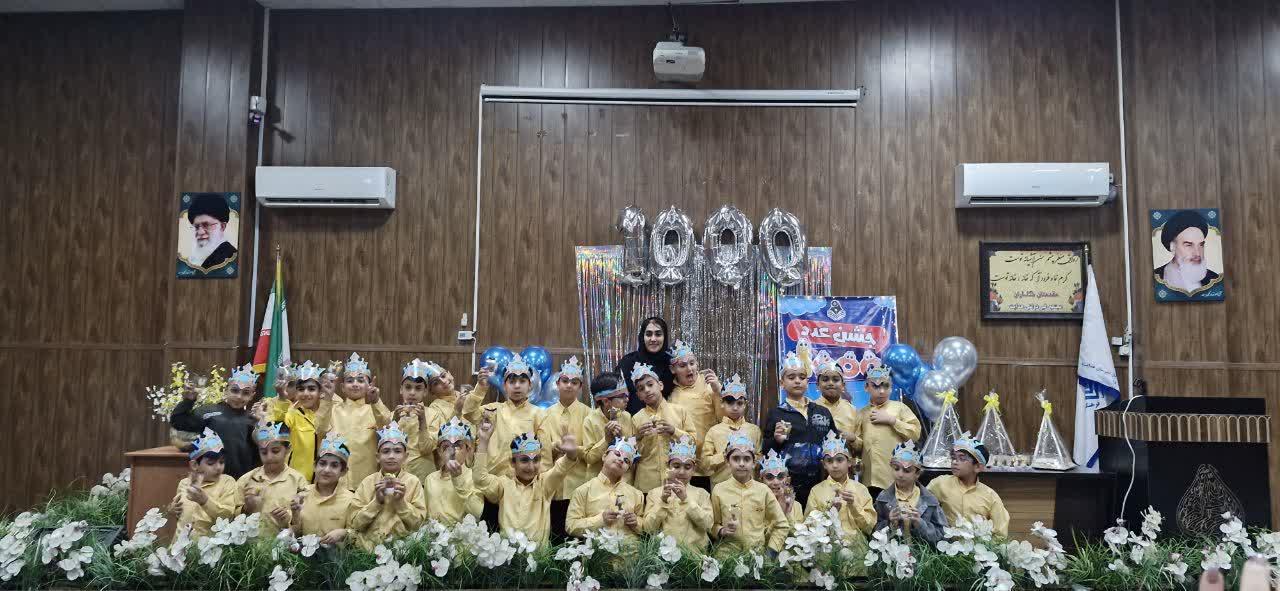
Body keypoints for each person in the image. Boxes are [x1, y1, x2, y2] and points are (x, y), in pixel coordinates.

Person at [473, 424, 576, 544]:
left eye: (535, 460)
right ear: (512, 462)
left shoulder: (544, 484)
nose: (531, 467)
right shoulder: (503, 485)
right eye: (524, 460)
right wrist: (483, 442)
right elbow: (480, 478)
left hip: (538, 555)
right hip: (508, 554)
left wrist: (571, 455)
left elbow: (561, 468)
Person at [763, 352, 837, 506]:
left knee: (819, 517)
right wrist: (776, 441)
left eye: (802, 377)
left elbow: (835, 444)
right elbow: (766, 451)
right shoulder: (776, 414)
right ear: (782, 383)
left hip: (821, 481)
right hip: (788, 484)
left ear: (807, 382)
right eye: (791, 377)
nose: (797, 381)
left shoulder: (822, 412)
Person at [170, 363, 260, 479]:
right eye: (234, 390)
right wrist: (188, 401)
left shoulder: (252, 420)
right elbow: (178, 422)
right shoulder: (207, 412)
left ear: (252, 395)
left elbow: (261, 452)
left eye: (246, 393)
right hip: (209, 480)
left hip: (240, 481)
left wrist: (261, 422)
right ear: (226, 390)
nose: (239, 396)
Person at [317, 353, 393, 487]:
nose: (355, 384)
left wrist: (376, 401)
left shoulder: (374, 409)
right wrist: (327, 400)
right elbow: (320, 430)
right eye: (350, 381)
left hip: (366, 479)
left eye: (360, 380)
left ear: (369, 385)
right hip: (335, 479)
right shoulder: (332, 409)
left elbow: (387, 427)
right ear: (342, 387)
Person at [711, 431, 791, 557]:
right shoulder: (719, 490)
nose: (741, 463)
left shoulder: (763, 490)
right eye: (736, 458)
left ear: (754, 463)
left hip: (755, 558)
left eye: (747, 459)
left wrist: (770, 554)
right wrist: (722, 531)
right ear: (727, 461)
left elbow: (782, 525)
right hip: (726, 559)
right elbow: (712, 524)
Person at [349, 422, 427, 550]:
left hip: (403, 551)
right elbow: (356, 524)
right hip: (368, 550)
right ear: (377, 457)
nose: (391, 456)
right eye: (386, 451)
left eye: (397, 451)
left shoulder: (413, 482)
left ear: (406, 457)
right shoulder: (368, 482)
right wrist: (377, 502)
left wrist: (401, 503)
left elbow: (418, 525)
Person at [474, 354, 550, 478]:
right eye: (512, 381)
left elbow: (545, 458)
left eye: (522, 381)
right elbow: (469, 413)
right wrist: (480, 388)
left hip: (524, 482)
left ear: (530, 385)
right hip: (493, 480)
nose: (517, 386)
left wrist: (536, 484)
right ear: (504, 386)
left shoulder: (539, 414)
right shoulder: (492, 410)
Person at [850, 366, 921, 499]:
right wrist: (853, 439)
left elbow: (915, 434)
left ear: (891, 387)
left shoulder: (900, 408)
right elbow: (860, 448)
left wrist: (892, 421)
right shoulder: (862, 413)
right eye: (875, 386)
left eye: (886, 385)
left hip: (895, 478)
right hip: (869, 479)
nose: (881, 391)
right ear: (866, 387)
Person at [542, 356, 592, 542]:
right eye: (565, 381)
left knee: (579, 542)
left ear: (580, 387)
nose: (569, 385)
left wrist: (573, 449)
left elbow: (591, 451)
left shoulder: (589, 414)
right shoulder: (545, 415)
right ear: (557, 383)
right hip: (554, 485)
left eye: (574, 382)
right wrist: (555, 446)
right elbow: (541, 450)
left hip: (579, 486)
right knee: (555, 539)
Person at [926, 433, 1010, 538]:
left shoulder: (990, 496)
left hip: (977, 546)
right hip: (945, 544)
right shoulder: (940, 484)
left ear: (978, 467)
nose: (955, 462)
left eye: (962, 458)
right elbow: (923, 509)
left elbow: (1000, 532)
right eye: (953, 457)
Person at [666, 340, 723, 491]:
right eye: (682, 365)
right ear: (673, 369)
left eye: (692, 363)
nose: (689, 369)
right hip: (682, 465)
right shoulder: (670, 395)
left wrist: (718, 391)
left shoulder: (709, 385)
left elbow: (724, 419)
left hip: (710, 463)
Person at [167, 428, 244, 538]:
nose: (218, 467)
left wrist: (205, 501)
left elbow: (229, 517)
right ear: (194, 465)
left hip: (209, 546)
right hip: (179, 545)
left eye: (222, 462)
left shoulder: (227, 482)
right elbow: (180, 515)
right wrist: (172, 509)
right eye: (211, 463)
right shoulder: (184, 483)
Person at [566, 437, 645, 542]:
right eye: (617, 454)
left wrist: (636, 522)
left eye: (627, 461)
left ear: (628, 469)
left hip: (630, 551)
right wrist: (600, 520)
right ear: (604, 456)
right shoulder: (583, 491)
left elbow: (646, 527)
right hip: (598, 551)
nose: (621, 460)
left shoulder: (637, 494)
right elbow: (571, 526)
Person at [643, 435, 714, 550]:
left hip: (694, 555)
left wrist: (686, 500)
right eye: (676, 466)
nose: (681, 472)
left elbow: (708, 525)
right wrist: (662, 502)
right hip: (662, 556)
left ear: (694, 469)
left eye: (687, 467)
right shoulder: (654, 493)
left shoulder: (702, 494)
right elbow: (648, 529)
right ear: (668, 466)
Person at [238, 421, 309, 538]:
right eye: (264, 452)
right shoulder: (247, 480)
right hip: (250, 546)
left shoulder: (298, 481)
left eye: (275, 451)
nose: (269, 457)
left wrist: (289, 517)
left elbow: (307, 520)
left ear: (288, 449)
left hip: (283, 546)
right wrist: (246, 508)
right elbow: (231, 517)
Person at [631, 363, 693, 493]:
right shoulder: (636, 418)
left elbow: (694, 442)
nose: (647, 390)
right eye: (641, 389)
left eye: (650, 384)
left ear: (660, 385)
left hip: (677, 481)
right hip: (647, 483)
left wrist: (674, 431)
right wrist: (638, 438)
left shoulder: (680, 411)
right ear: (638, 395)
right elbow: (632, 457)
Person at [806, 431, 876, 544]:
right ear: (824, 464)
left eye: (839, 460)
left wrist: (854, 505)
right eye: (829, 461)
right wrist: (830, 512)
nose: (834, 465)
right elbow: (809, 527)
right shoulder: (816, 491)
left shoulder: (861, 489)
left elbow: (869, 527)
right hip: (827, 550)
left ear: (849, 462)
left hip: (857, 549)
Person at [874, 441, 947, 545]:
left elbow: (943, 536)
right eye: (896, 469)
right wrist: (890, 523)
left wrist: (920, 524)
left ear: (917, 474)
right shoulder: (883, 499)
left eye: (907, 471)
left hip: (923, 554)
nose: (900, 474)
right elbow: (872, 533)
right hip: (892, 554)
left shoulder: (930, 500)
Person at [289, 433, 358, 544]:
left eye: (334, 465)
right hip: (304, 554)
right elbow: (296, 535)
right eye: (322, 463)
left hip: (337, 555)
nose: (326, 470)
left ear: (343, 471)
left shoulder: (351, 500)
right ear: (314, 466)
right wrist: (295, 515)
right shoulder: (303, 494)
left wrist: (343, 533)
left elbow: (356, 534)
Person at [265, 360, 323, 481]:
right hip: (295, 479)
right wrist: (282, 397)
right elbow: (278, 425)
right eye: (301, 389)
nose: (305, 393)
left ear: (320, 392)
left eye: (311, 389)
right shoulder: (293, 413)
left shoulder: (329, 413)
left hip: (323, 479)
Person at [700, 375, 762, 487]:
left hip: (750, 490)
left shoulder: (754, 430)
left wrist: (748, 457)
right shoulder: (714, 431)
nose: (735, 408)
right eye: (730, 402)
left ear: (745, 405)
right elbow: (704, 463)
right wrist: (724, 455)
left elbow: (761, 459)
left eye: (739, 403)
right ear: (722, 403)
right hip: (721, 489)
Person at [421, 417, 484, 525]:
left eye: (458, 446)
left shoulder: (474, 477)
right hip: (433, 534)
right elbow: (426, 516)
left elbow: (478, 513)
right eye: (446, 446)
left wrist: (458, 479)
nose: (452, 451)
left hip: (462, 534)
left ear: (468, 450)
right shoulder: (430, 479)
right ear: (439, 452)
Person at [582, 373, 637, 485]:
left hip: (624, 482)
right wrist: (606, 440)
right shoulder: (590, 421)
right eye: (621, 396)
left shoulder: (626, 416)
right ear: (606, 401)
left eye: (627, 394)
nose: (627, 399)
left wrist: (625, 439)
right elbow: (588, 458)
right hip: (598, 483)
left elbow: (633, 451)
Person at [615, 316, 675, 415]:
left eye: (658, 334)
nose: (653, 339)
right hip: (634, 421)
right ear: (642, 337)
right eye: (648, 334)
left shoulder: (672, 363)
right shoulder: (627, 363)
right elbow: (617, 395)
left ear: (664, 337)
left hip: (668, 421)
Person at [1155, 209, 1221, 293]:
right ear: (1173, 247)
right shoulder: (1156, 277)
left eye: (1201, 245)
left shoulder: (1214, 279)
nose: (1197, 253)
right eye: (1189, 245)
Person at [394, 358, 436, 481]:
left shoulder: (433, 415)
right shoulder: (394, 414)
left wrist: (422, 421)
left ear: (425, 392)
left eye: (418, 388)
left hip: (422, 475)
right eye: (408, 387)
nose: (412, 393)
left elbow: (426, 449)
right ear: (401, 389)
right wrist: (394, 421)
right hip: (396, 475)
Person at [813, 361, 859, 451]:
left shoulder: (852, 410)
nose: (831, 383)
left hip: (846, 458)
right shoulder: (810, 409)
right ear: (818, 385)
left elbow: (862, 447)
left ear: (843, 385)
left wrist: (853, 439)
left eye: (836, 380)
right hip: (817, 459)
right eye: (825, 380)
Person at [186, 193, 238, 269]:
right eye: (196, 227)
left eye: (206, 225)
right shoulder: (202, 258)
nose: (200, 232)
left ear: (222, 227)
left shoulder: (230, 258)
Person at [759, 449, 803, 525]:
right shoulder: (757, 505)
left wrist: (787, 513)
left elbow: (798, 531)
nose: (776, 482)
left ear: (788, 480)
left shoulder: (796, 506)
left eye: (780, 477)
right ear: (761, 481)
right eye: (769, 477)